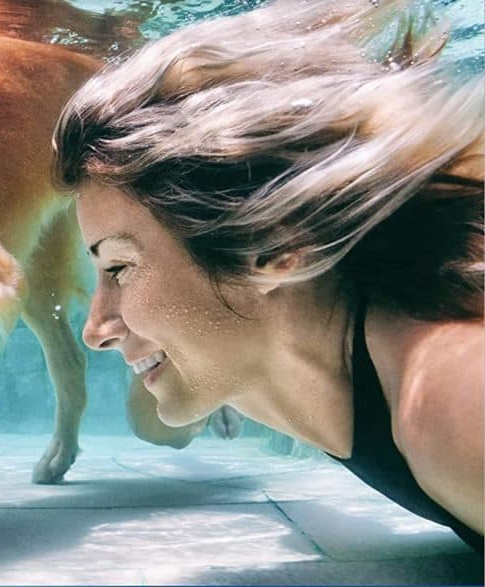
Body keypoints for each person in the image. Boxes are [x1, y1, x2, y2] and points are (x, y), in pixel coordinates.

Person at [52, 0, 483, 552]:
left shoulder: (452, 403)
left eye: (119, 267)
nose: (95, 329)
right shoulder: (267, 349)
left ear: (278, 245)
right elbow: (157, 423)